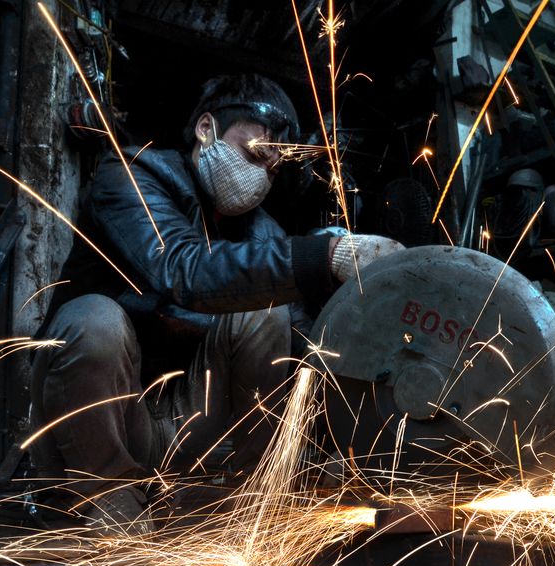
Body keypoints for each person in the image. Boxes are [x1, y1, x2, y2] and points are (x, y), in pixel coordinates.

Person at [29, 74, 402, 533]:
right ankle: (108, 497)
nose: (262, 173)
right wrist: (322, 256)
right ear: (206, 129)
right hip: (100, 423)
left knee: (269, 311)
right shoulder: (129, 177)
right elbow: (184, 269)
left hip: (182, 424)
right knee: (94, 320)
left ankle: (251, 500)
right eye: (253, 154)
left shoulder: (263, 233)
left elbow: (303, 350)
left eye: (272, 167)